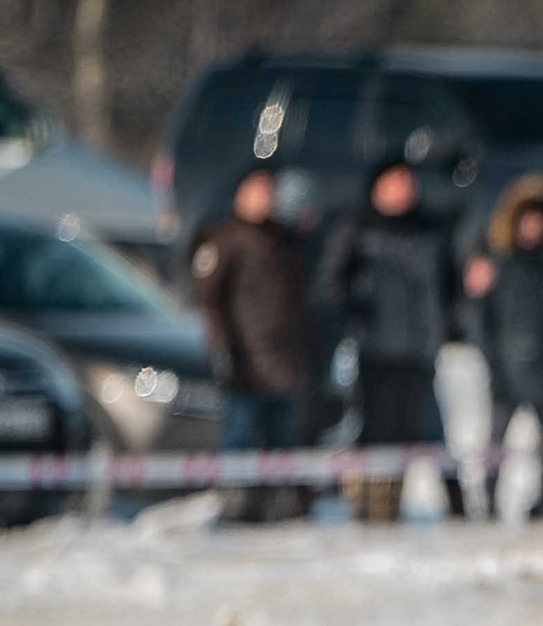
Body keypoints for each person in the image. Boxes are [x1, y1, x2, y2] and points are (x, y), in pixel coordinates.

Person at [317, 159, 457, 519]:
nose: (402, 189)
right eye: (393, 182)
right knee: (377, 430)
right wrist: (354, 310)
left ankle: (400, 504)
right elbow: (329, 285)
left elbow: (447, 287)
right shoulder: (357, 229)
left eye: (407, 181)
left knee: (416, 431)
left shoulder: (430, 231)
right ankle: (368, 504)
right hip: (375, 349)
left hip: (420, 350)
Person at [193, 167, 320, 522]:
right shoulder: (224, 239)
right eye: (257, 190)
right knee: (240, 436)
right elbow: (208, 301)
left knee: (281, 438)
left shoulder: (286, 241)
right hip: (244, 360)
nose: (265, 198)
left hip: (285, 360)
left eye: (270, 191)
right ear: (239, 194)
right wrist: (222, 348)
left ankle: (277, 503)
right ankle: (235, 504)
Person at [460, 174, 543, 518]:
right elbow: (479, 322)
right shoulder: (495, 267)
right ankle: (487, 505)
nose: (532, 227)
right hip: (507, 372)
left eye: (539, 221)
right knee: (496, 443)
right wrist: (494, 364)